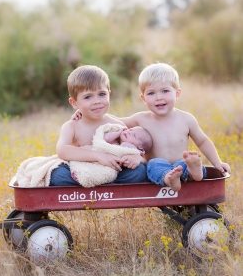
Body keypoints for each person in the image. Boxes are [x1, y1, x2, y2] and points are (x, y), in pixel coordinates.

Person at [72, 62, 231, 192]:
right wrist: (83, 113)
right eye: (151, 93)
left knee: (189, 161)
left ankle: (195, 172)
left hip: (181, 165)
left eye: (165, 91)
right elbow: (110, 122)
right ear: (143, 98)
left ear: (177, 93)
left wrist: (217, 163)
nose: (159, 97)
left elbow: (202, 141)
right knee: (154, 164)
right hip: (158, 168)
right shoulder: (141, 119)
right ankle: (170, 179)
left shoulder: (186, 119)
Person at [49, 64, 147, 186]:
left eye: (102, 94)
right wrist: (99, 156)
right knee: (58, 175)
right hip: (81, 170)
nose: (97, 101)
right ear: (74, 103)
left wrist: (135, 159)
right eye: (88, 97)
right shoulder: (72, 126)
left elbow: (132, 150)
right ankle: (100, 188)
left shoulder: (116, 125)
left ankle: (105, 188)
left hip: (111, 171)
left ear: (109, 95)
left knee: (139, 172)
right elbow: (62, 150)